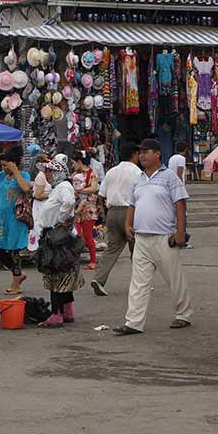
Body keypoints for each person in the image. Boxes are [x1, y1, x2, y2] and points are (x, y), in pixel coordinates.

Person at [112, 139, 192, 335]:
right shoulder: (138, 179)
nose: (142, 155)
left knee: (174, 279)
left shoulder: (169, 177)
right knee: (138, 282)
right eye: (140, 152)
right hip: (142, 238)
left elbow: (180, 204)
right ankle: (133, 322)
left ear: (157, 154)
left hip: (164, 237)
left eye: (146, 152)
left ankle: (183, 315)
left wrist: (180, 232)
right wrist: (128, 224)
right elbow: (132, 204)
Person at [34, 155, 83, 327]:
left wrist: (61, 220)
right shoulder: (60, 187)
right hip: (58, 235)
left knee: (56, 275)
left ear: (57, 172)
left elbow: (69, 202)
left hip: (57, 236)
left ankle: (57, 314)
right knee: (64, 273)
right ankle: (67, 310)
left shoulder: (63, 187)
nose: (46, 174)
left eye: (49, 171)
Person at [0, 148, 32, 295]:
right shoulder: (1, 176)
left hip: (16, 219)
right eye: (2, 165)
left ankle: (16, 284)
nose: (3, 168)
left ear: (14, 164)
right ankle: (18, 275)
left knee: (14, 251)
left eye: (5, 165)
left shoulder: (23, 175)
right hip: (2, 220)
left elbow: (25, 187)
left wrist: (15, 171)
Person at [93, 142, 142, 296]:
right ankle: (140, 283)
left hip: (112, 212)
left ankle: (99, 279)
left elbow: (101, 195)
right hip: (130, 212)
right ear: (134, 155)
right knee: (137, 250)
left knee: (112, 248)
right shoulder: (137, 172)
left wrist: (104, 211)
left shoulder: (111, 171)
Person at [71, 151, 100, 271]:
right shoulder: (75, 174)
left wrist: (79, 190)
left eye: (74, 162)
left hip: (88, 209)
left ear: (79, 161)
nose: (73, 165)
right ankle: (75, 259)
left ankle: (93, 261)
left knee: (88, 235)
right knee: (76, 234)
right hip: (76, 208)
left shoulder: (92, 173)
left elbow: (94, 188)